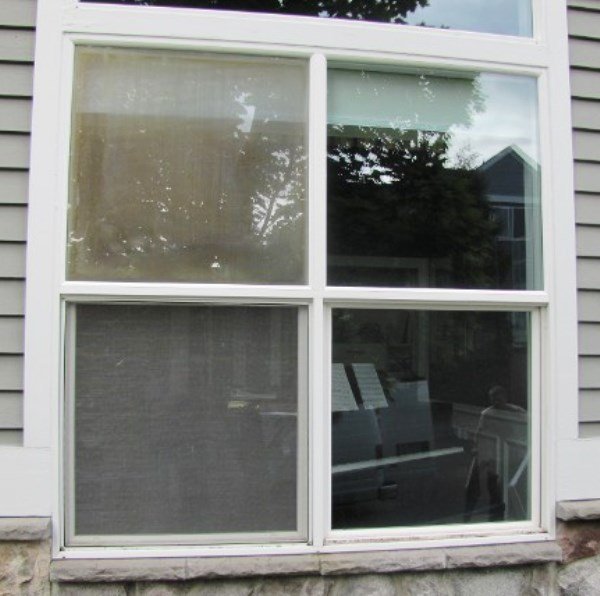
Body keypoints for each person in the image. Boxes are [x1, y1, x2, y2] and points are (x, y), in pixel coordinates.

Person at [464, 385, 526, 522]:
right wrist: (478, 450)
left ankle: (507, 513)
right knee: (492, 485)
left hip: (510, 454)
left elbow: (524, 430)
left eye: (498, 398)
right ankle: (492, 517)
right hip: (492, 454)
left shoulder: (517, 412)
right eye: (492, 398)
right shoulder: (487, 414)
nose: (496, 401)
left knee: (506, 485)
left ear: (505, 398)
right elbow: (479, 433)